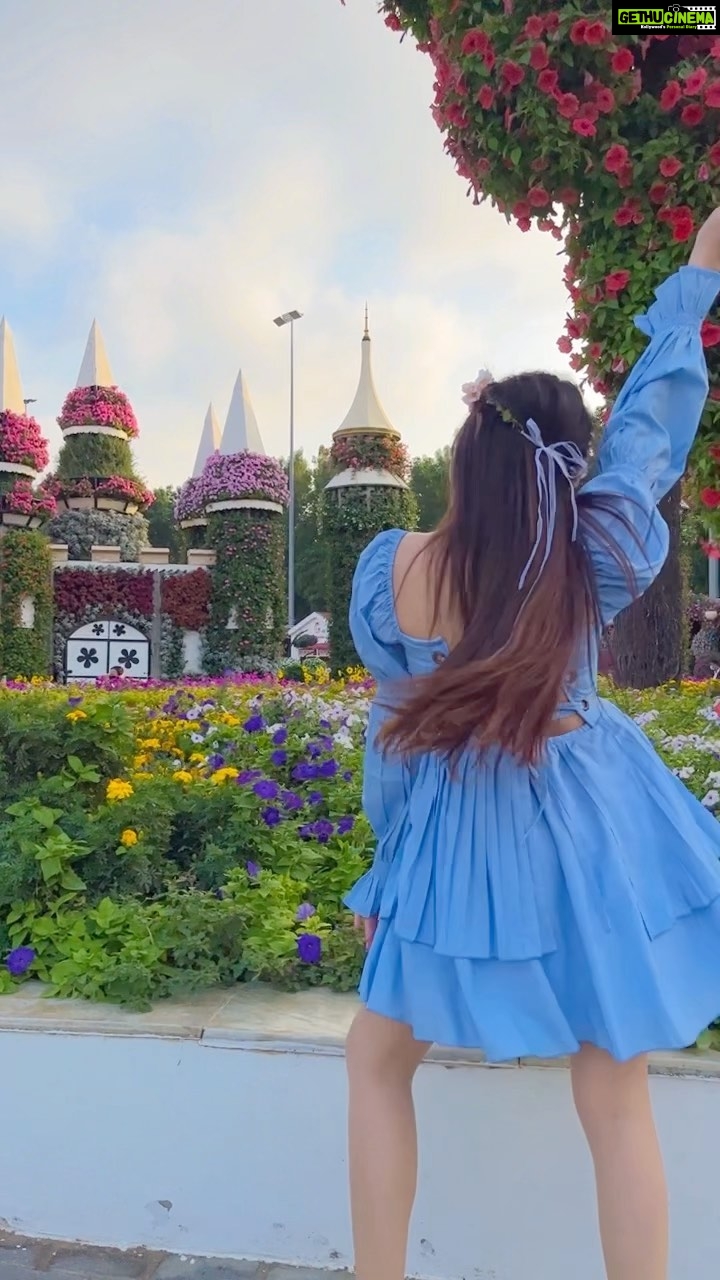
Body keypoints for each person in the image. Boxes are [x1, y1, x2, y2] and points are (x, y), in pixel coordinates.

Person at [344, 207, 720, 1280]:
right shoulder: (591, 552)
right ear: (568, 472)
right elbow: (650, 428)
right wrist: (697, 273)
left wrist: (389, 858)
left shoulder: (397, 565)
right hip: (596, 809)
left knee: (377, 1057)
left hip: (459, 822)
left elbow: (392, 735)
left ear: (466, 463)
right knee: (615, 1086)